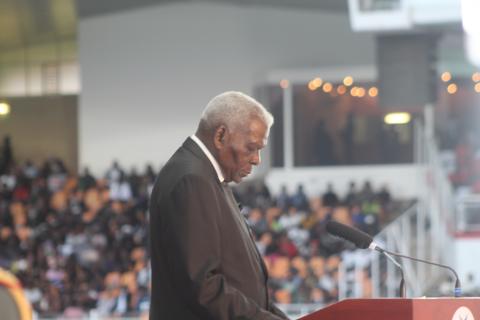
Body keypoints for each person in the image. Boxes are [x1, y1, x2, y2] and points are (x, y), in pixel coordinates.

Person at [149, 91, 288, 320]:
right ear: (221, 135)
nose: (257, 159)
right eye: (252, 147)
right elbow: (203, 286)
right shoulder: (192, 179)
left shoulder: (207, 176)